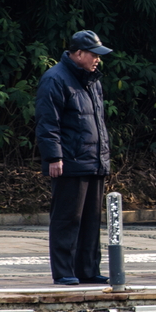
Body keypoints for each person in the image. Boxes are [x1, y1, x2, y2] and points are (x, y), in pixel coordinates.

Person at [34, 30, 113, 285]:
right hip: (69, 160)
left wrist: (103, 158)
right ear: (78, 54)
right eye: (94, 55)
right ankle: (64, 271)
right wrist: (54, 157)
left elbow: (98, 122)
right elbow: (48, 122)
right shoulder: (55, 78)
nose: (98, 60)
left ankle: (88, 269)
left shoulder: (92, 80)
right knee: (67, 219)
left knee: (91, 220)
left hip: (93, 160)